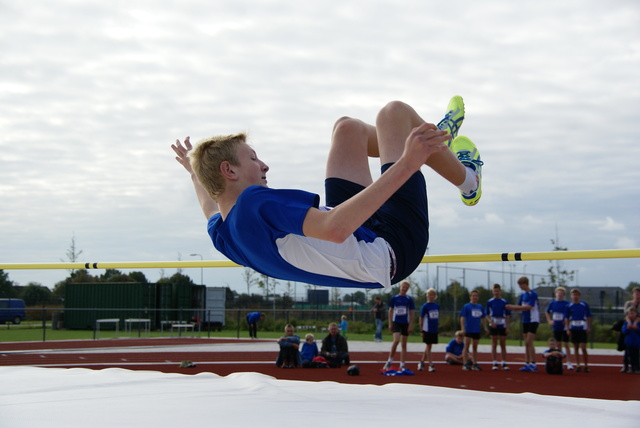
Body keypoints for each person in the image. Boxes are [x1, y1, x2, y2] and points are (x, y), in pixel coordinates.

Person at [171, 97, 483, 290]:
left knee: (348, 128)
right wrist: (408, 162)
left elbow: (209, 205)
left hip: (362, 236)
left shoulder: (225, 235)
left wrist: (194, 171)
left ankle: (437, 147)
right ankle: (467, 179)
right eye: (253, 158)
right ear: (230, 171)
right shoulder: (254, 203)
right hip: (393, 248)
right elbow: (333, 229)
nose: (264, 165)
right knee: (394, 113)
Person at [506, 276, 540, 372]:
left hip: (533, 320)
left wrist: (513, 307)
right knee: (526, 343)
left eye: (521, 285)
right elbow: (519, 305)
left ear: (525, 284)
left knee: (529, 341)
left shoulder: (533, 294)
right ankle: (527, 362)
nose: (520, 287)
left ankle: (533, 363)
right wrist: (512, 307)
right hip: (525, 320)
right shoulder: (523, 295)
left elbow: (529, 307)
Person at [383, 281, 415, 370]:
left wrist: (410, 325)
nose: (404, 289)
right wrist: (390, 323)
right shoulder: (394, 298)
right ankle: (389, 361)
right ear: (400, 287)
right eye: (403, 287)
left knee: (404, 344)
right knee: (396, 341)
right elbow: (390, 311)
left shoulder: (409, 299)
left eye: (406, 288)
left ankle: (402, 364)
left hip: (405, 323)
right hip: (396, 322)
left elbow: (412, 313)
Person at [544, 286, 573, 370]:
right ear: (556, 294)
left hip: (564, 326)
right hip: (556, 326)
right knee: (558, 344)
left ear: (564, 295)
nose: (559, 295)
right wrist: (549, 320)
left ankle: (569, 362)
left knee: (566, 344)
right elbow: (546, 311)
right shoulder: (552, 303)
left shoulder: (566, 304)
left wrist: (567, 321)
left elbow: (570, 314)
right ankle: (560, 362)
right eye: (558, 293)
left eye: (561, 293)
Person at [565, 288, 592, 373]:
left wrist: (588, 327)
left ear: (579, 296)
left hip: (582, 328)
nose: (575, 296)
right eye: (573, 295)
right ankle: (578, 365)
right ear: (571, 296)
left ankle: (586, 365)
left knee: (583, 347)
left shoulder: (584, 305)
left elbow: (588, 316)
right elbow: (567, 318)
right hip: (573, 328)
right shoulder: (569, 306)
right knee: (575, 347)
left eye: (576, 295)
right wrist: (567, 329)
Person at [485, 283, 511, 370]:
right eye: (495, 291)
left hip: (502, 323)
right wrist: (491, 322)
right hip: (494, 323)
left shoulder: (504, 301)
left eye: (498, 291)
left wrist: (507, 327)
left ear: (500, 291)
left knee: (503, 343)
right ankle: (494, 362)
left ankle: (504, 362)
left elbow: (507, 315)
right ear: (493, 291)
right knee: (494, 343)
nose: (496, 292)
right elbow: (487, 314)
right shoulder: (490, 302)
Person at [460, 289, 486, 371]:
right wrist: (463, 328)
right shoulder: (466, 306)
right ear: (470, 297)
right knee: (466, 346)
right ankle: (465, 364)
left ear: (478, 297)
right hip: (468, 329)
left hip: (476, 329)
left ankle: (475, 363)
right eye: (473, 296)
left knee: (475, 347)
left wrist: (485, 327)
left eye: (476, 296)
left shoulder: (480, 307)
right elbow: (462, 318)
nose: (475, 297)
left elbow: (483, 318)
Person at [418, 288, 439, 372]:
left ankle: (422, 362)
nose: (431, 296)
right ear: (427, 296)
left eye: (433, 295)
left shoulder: (437, 306)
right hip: (427, 328)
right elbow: (421, 318)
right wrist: (421, 329)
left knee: (429, 346)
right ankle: (431, 364)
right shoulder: (425, 306)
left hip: (434, 328)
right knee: (429, 346)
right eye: (430, 295)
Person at [621, 308, 640, 374]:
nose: (631, 315)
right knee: (630, 356)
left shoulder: (638, 323)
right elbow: (624, 332)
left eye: (633, 313)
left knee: (636, 356)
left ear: (636, 314)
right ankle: (631, 367)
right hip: (629, 343)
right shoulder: (626, 323)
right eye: (630, 314)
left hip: (636, 343)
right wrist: (628, 328)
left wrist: (637, 329)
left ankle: (637, 368)